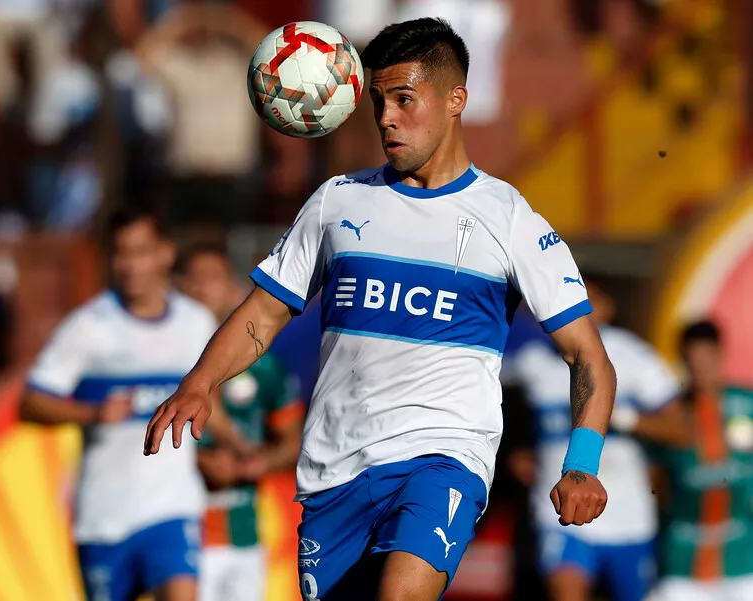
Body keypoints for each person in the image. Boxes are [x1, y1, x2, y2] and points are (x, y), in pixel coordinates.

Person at [144, 18, 616, 601]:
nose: (386, 117)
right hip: (334, 473)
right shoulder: (337, 202)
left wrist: (582, 462)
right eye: (378, 101)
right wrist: (199, 383)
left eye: (404, 99)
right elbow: (263, 314)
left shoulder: (509, 218)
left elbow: (589, 357)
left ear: (456, 100)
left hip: (442, 462)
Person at [19, 204, 249, 601]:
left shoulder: (195, 323)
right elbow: (30, 403)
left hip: (172, 509)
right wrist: (92, 413)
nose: (129, 265)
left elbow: (206, 405)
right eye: (120, 253)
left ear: (165, 253)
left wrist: (241, 450)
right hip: (104, 518)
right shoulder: (88, 326)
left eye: (140, 252)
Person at [510, 281, 691, 601]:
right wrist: (514, 452)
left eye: (587, 299)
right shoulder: (532, 360)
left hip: (628, 517)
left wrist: (623, 418)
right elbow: (496, 403)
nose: (576, 307)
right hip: (559, 514)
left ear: (608, 308)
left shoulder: (633, 356)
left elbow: (682, 430)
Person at [176, 244, 304, 601]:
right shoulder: (166, 358)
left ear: (233, 288)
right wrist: (197, 461)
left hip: (244, 539)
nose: (202, 288)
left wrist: (254, 463)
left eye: (212, 278)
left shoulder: (265, 367)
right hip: (180, 536)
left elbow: (293, 443)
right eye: (193, 279)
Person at [651, 320, 753, 601]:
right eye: (693, 361)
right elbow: (653, 483)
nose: (700, 369)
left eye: (707, 359)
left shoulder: (747, 403)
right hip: (683, 563)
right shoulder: (669, 416)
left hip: (744, 561)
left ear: (720, 355)